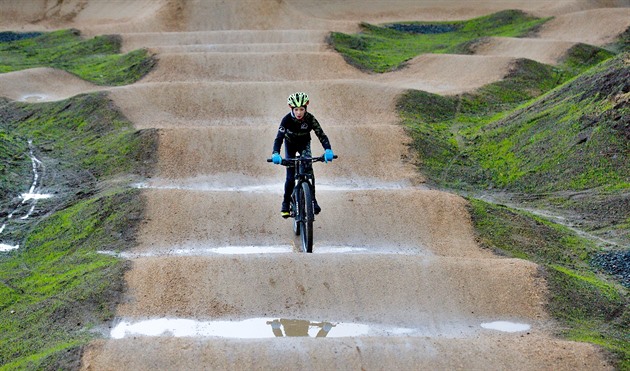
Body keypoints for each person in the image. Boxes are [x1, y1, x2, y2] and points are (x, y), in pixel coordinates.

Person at [271, 92, 334, 218]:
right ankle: (285, 203)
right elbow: (279, 138)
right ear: (291, 109)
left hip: (304, 144)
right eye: (296, 109)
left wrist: (328, 150)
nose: (299, 112)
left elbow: (321, 134)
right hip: (290, 145)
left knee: (309, 171)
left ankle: (313, 200)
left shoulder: (310, 118)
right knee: (290, 177)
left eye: (302, 109)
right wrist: (276, 153)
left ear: (306, 108)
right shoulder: (286, 120)